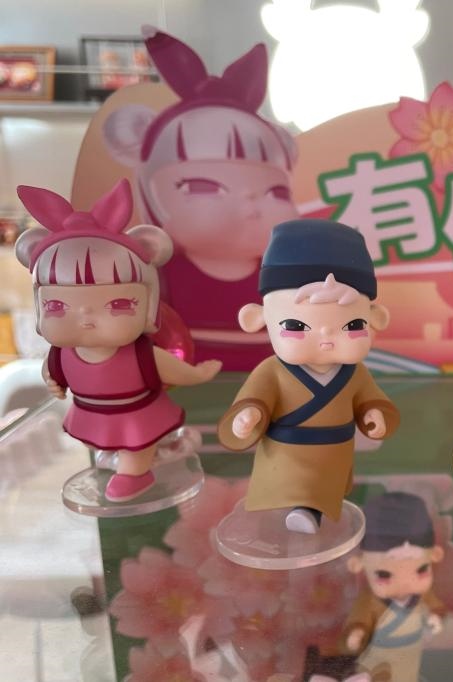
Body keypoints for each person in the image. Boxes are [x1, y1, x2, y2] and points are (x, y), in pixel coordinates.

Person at [103, 27, 299, 370]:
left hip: (270, 378)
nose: (250, 204)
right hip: (186, 377)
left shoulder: (283, 273)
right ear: (153, 195)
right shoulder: (159, 276)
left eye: (276, 192)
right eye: (204, 187)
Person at [15, 179, 220, 501]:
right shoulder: (61, 353)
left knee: (137, 445)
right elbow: (52, 370)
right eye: (57, 306)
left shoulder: (141, 354)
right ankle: (117, 457)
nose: (86, 319)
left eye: (118, 304)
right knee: (99, 438)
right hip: (91, 410)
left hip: (136, 413)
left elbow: (173, 370)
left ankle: (135, 474)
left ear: (148, 304)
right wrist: (52, 380)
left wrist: (198, 374)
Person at [217, 219, 399, 533]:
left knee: (326, 491)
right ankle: (303, 511)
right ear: (258, 319)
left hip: (335, 452)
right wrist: (249, 414)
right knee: (293, 491)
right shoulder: (271, 371)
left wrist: (374, 413)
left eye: (352, 326)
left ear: (375, 319)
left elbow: (371, 399)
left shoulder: (355, 373)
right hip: (287, 452)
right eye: (296, 326)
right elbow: (253, 398)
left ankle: (310, 512)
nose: (326, 340)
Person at [341, 492, 446, 682]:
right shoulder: (370, 600)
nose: (405, 582)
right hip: (379, 656)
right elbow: (359, 618)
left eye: (421, 570)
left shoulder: (422, 596)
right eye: (384, 575)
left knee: (408, 675)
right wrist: (357, 631)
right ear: (358, 564)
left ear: (435, 556)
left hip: (412, 654)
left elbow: (436, 607)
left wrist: (435, 616)